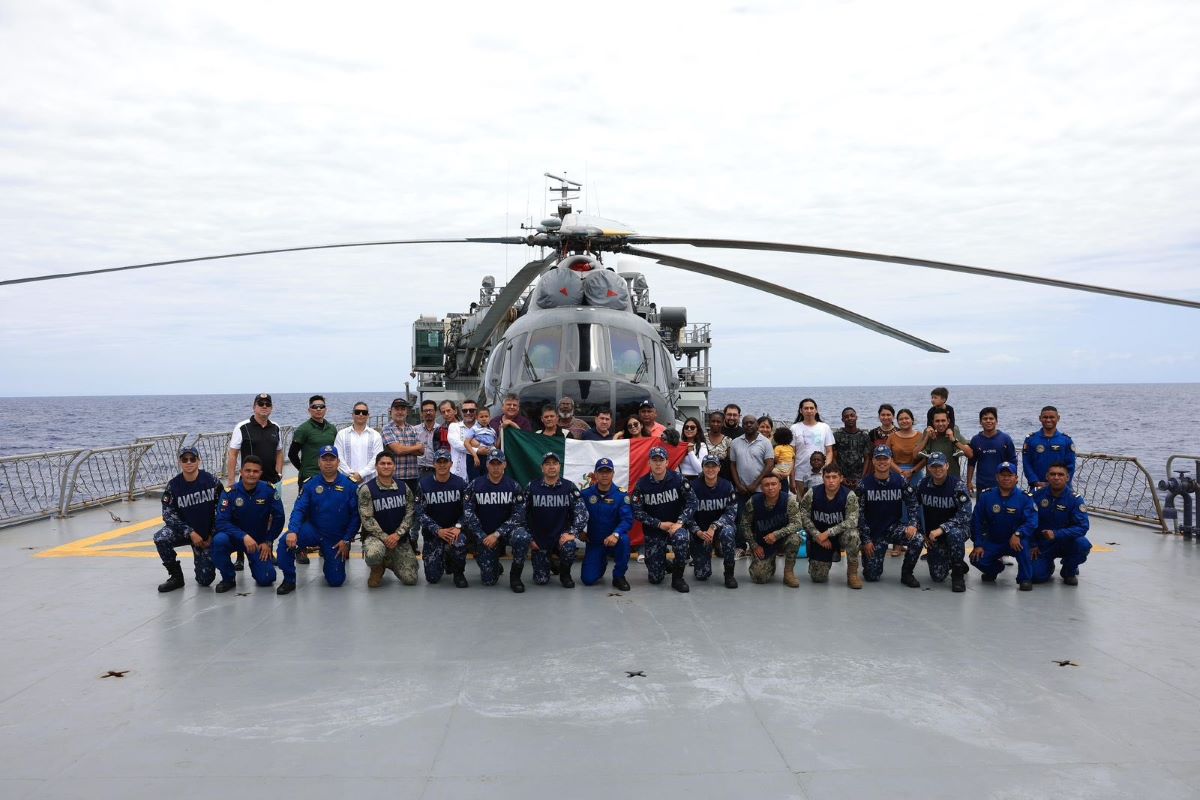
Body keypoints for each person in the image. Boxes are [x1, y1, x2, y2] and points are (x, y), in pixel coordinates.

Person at [276, 445, 360, 594]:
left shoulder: (350, 486)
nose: (328, 462)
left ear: (338, 462)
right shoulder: (310, 484)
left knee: (336, 581)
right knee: (284, 542)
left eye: (331, 459)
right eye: (324, 459)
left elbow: (355, 517)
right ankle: (289, 579)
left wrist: (346, 540)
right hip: (313, 530)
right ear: (318, 462)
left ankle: (329, 559)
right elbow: (299, 509)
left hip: (335, 538)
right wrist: (293, 531)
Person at [152, 446, 220, 592]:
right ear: (180, 463)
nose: (189, 462)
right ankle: (176, 577)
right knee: (160, 538)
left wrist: (211, 535)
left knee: (205, 580)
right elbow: (168, 515)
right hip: (185, 532)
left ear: (198, 461)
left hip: (205, 534)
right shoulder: (173, 485)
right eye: (184, 459)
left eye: (192, 459)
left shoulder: (211, 481)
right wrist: (189, 532)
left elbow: (222, 510)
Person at [211, 456, 284, 593]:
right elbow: (221, 522)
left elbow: (279, 517)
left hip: (257, 542)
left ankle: (255, 562)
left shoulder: (269, 490)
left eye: (255, 471)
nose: (251, 474)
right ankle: (228, 578)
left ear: (260, 473)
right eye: (248, 470)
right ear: (241, 472)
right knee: (219, 541)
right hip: (234, 539)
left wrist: (268, 541)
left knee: (267, 579)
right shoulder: (229, 493)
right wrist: (243, 536)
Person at [462, 450, 532, 592]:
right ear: (487, 465)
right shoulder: (475, 485)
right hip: (485, 535)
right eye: (492, 464)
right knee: (489, 581)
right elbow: (468, 512)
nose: (495, 467)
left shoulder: (514, 486)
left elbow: (519, 515)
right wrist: (482, 536)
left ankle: (515, 576)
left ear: (504, 465)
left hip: (505, 533)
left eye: (498, 464)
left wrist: (498, 533)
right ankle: (492, 563)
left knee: (522, 537)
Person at [633, 446, 698, 592]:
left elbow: (693, 501)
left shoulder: (678, 479)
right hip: (655, 530)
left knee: (682, 539)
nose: (658, 464)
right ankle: (664, 563)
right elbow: (637, 511)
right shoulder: (642, 484)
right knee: (655, 579)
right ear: (649, 463)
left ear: (667, 462)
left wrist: (680, 522)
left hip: (676, 526)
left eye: (661, 460)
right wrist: (659, 524)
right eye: (654, 460)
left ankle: (678, 578)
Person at [857, 445, 923, 587]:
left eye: (885, 458)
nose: (882, 462)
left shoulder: (900, 481)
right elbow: (859, 515)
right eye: (878, 459)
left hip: (894, 528)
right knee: (872, 576)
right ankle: (869, 560)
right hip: (874, 532)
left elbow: (912, 504)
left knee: (917, 539)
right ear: (873, 461)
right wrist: (866, 540)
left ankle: (907, 574)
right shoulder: (864, 485)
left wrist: (912, 523)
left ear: (890, 460)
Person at [971, 461, 1038, 590]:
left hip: (1016, 540)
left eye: (1010, 475)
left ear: (1016, 478)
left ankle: (1024, 579)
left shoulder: (1025, 498)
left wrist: (1018, 533)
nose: (1006, 478)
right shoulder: (986, 496)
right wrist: (978, 544)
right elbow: (977, 521)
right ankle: (995, 569)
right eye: (1003, 475)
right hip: (994, 540)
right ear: (997, 477)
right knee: (976, 559)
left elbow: (1032, 521)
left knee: (1024, 547)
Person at [525, 451, 587, 588]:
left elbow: (582, 513)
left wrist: (572, 533)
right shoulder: (532, 487)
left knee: (570, 547)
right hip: (540, 539)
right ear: (542, 468)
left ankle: (565, 574)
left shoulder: (569, 487)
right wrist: (529, 538)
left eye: (555, 463)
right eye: (547, 464)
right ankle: (549, 562)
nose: (551, 467)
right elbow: (520, 514)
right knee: (541, 581)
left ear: (560, 467)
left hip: (561, 538)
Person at [359, 451, 418, 588]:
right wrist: (386, 538)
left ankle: (389, 560)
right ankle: (377, 567)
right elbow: (367, 519)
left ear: (394, 467)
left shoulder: (404, 487)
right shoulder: (367, 489)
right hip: (376, 538)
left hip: (399, 538)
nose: (386, 466)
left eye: (389, 463)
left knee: (411, 579)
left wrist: (397, 535)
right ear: (376, 467)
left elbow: (410, 514)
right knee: (374, 554)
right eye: (382, 463)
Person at [798, 463, 862, 588]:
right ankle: (819, 561)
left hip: (840, 536)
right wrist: (817, 536)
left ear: (841, 478)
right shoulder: (813, 492)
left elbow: (852, 521)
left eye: (834, 477)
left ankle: (852, 574)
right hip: (820, 538)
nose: (831, 481)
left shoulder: (849, 495)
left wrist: (828, 533)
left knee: (853, 535)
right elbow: (803, 515)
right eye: (827, 477)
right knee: (818, 578)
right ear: (823, 478)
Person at [915, 452, 972, 592]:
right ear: (928, 468)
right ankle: (954, 559)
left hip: (956, 530)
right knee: (937, 576)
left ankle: (958, 574)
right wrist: (922, 533)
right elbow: (915, 510)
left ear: (946, 466)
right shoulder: (922, 485)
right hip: (933, 534)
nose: (937, 469)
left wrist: (942, 528)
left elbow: (965, 514)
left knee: (955, 534)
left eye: (940, 466)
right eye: (933, 467)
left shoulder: (957, 485)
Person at [417, 448, 471, 587]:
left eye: (445, 461)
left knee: (460, 542)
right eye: (438, 462)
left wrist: (458, 527)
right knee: (432, 578)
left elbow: (468, 510)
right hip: (433, 534)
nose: (442, 465)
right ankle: (445, 557)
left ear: (451, 463)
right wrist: (437, 530)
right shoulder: (423, 484)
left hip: (454, 532)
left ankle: (458, 572)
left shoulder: (461, 484)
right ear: (434, 464)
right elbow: (419, 513)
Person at [1031, 463, 1092, 585]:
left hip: (1066, 541)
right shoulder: (1037, 495)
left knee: (1083, 545)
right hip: (1042, 544)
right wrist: (1031, 543)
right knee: (1035, 576)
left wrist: (1056, 534)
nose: (1056, 477)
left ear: (1067, 478)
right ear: (1047, 477)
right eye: (1052, 474)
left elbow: (1083, 526)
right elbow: (1026, 521)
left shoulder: (1075, 499)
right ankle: (1048, 565)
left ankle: (1068, 570)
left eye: (1060, 474)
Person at [580, 457, 634, 590]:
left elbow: (627, 520)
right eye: (601, 471)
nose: (604, 475)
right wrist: (579, 531)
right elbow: (576, 514)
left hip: (614, 540)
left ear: (613, 474)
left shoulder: (621, 495)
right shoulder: (586, 494)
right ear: (595, 474)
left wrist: (615, 534)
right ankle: (600, 561)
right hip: (595, 542)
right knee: (588, 580)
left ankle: (619, 576)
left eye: (608, 471)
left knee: (624, 540)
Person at [741, 474, 803, 587]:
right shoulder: (753, 502)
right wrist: (754, 545)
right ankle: (770, 562)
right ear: (761, 487)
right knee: (759, 578)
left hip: (783, 540)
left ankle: (788, 573)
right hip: (762, 543)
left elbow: (797, 523)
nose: (770, 488)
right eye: (767, 485)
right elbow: (745, 525)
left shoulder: (789, 500)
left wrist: (776, 534)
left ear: (780, 486)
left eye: (774, 484)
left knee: (795, 539)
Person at [688, 454, 739, 588]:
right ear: (703, 468)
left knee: (728, 532)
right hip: (701, 531)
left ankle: (729, 574)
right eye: (707, 466)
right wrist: (697, 531)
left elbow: (731, 512)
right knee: (702, 575)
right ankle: (701, 558)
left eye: (714, 466)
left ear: (719, 468)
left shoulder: (727, 486)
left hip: (720, 527)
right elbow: (687, 514)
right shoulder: (693, 487)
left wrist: (715, 526)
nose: (710, 469)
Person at [729, 415, 775, 544]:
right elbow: (732, 464)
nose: (749, 425)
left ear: (756, 425)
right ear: (742, 425)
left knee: (761, 518)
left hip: (761, 489)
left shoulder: (765, 442)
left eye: (751, 423)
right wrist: (738, 484)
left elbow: (770, 464)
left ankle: (762, 545)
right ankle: (741, 547)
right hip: (741, 489)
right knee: (741, 518)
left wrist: (755, 484)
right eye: (746, 423)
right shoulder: (735, 442)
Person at [225, 393, 284, 490]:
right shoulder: (242, 427)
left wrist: (279, 474)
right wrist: (231, 480)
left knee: (274, 505)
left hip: (273, 482)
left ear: (271, 408)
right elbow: (233, 454)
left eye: (268, 404)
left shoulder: (275, 427)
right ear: (254, 407)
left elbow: (279, 452)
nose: (264, 406)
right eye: (261, 404)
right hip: (248, 482)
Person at [288, 394, 337, 492]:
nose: (318, 409)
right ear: (309, 410)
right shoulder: (303, 429)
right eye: (314, 407)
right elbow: (292, 454)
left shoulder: (332, 429)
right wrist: (303, 470)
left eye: (321, 407)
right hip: (309, 477)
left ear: (326, 409)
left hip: (329, 476)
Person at [1023, 406, 1077, 488]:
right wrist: (1035, 482)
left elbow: (1070, 465)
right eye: (1045, 417)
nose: (1048, 420)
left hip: (1061, 488)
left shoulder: (1066, 441)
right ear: (1040, 418)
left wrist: (1060, 483)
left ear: (1058, 418)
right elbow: (1027, 464)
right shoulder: (1031, 440)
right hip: (1038, 487)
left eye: (1052, 417)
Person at [967, 406, 1017, 495]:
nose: (988, 421)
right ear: (980, 422)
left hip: (1003, 485)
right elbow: (971, 462)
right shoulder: (975, 440)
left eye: (991, 418)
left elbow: (1013, 461)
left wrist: (1013, 481)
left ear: (996, 421)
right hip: (982, 484)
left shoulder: (1005, 439)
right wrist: (969, 481)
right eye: (985, 419)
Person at [381, 397, 424, 496]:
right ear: (391, 411)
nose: (400, 412)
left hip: (413, 477)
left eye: (403, 409)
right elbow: (398, 450)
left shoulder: (413, 429)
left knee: (412, 509)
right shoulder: (387, 429)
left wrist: (403, 448)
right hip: (395, 478)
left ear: (407, 412)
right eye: (397, 409)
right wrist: (415, 447)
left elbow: (421, 451)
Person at [789, 398, 835, 490]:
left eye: (811, 408)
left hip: (820, 475)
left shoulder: (824, 427)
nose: (809, 411)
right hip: (800, 475)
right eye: (806, 408)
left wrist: (825, 469)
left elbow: (829, 451)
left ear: (816, 410)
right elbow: (791, 456)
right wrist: (792, 479)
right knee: (803, 502)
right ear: (801, 411)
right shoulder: (794, 428)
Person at [335, 402, 384, 484]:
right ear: (352, 414)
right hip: (346, 481)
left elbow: (377, 458)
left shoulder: (376, 435)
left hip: (370, 482)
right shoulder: (341, 434)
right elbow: (339, 457)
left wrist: (361, 474)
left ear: (368, 416)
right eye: (357, 412)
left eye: (364, 412)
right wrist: (351, 475)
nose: (361, 414)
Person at [921, 409, 973, 478]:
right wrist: (926, 437)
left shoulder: (954, 432)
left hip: (953, 479)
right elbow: (915, 455)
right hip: (932, 480)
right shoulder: (928, 433)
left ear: (948, 421)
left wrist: (954, 440)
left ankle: (957, 450)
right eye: (937, 421)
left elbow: (970, 454)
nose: (940, 424)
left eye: (943, 420)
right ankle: (926, 451)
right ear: (933, 422)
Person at [833, 407, 871, 489]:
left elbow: (867, 458)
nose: (849, 418)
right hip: (841, 476)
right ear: (842, 419)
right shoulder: (837, 435)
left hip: (858, 476)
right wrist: (840, 476)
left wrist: (862, 478)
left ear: (856, 417)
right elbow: (833, 457)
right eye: (846, 417)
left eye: (852, 415)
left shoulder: (864, 436)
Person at [886, 408, 926, 484]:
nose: (904, 421)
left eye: (907, 418)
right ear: (897, 422)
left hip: (916, 473)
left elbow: (925, 459)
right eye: (901, 419)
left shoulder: (921, 436)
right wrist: (901, 472)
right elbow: (887, 458)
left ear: (912, 420)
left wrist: (912, 471)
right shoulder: (891, 437)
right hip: (896, 473)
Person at [447, 399, 479, 480]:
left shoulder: (482, 428)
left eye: (471, 410)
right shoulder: (454, 426)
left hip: (477, 474)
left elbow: (486, 447)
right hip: (457, 475)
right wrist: (477, 451)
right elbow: (458, 445)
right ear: (461, 412)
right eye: (465, 410)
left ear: (476, 411)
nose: (468, 413)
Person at [464, 406, 498, 478]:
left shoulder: (492, 431)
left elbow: (495, 445)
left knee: (487, 479)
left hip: (488, 457)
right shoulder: (474, 429)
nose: (484, 419)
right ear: (477, 418)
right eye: (481, 417)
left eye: (486, 416)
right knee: (475, 480)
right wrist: (475, 456)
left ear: (490, 417)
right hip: (475, 457)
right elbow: (466, 443)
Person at [705, 411, 734, 482]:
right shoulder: (702, 438)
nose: (715, 424)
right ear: (709, 422)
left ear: (723, 423)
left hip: (723, 477)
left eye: (718, 422)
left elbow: (730, 461)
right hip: (705, 476)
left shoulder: (728, 440)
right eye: (713, 421)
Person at [415, 400, 439, 477]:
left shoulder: (442, 430)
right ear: (421, 413)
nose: (428, 413)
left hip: (436, 471)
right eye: (425, 411)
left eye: (430, 410)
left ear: (436, 412)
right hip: (418, 471)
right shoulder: (414, 430)